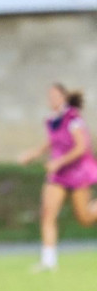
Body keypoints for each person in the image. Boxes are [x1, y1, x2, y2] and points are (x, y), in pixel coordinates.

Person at [18, 83, 97, 271]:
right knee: (47, 213)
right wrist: (34, 153)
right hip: (58, 175)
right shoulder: (53, 120)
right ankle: (48, 261)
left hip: (77, 172)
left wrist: (59, 162)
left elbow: (81, 147)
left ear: (64, 97)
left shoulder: (73, 119)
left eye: (55, 95)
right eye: (49, 96)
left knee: (85, 219)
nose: (51, 99)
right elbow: (52, 141)